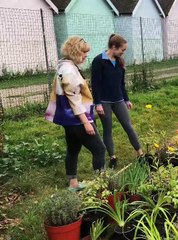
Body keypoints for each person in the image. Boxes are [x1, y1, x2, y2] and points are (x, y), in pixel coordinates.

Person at [45, 36, 106, 191]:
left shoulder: (64, 65)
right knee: (99, 149)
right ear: (75, 52)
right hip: (77, 119)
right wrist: (86, 122)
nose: (86, 55)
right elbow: (74, 100)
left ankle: (73, 184)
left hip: (68, 120)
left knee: (73, 149)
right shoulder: (69, 71)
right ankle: (102, 187)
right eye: (84, 52)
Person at [91, 34, 143, 169]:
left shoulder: (119, 62)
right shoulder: (99, 61)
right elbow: (95, 84)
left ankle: (141, 153)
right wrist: (98, 103)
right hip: (104, 102)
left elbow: (121, 84)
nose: (123, 53)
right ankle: (113, 157)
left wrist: (126, 99)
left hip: (119, 100)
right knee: (107, 130)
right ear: (113, 47)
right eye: (122, 50)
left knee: (128, 126)